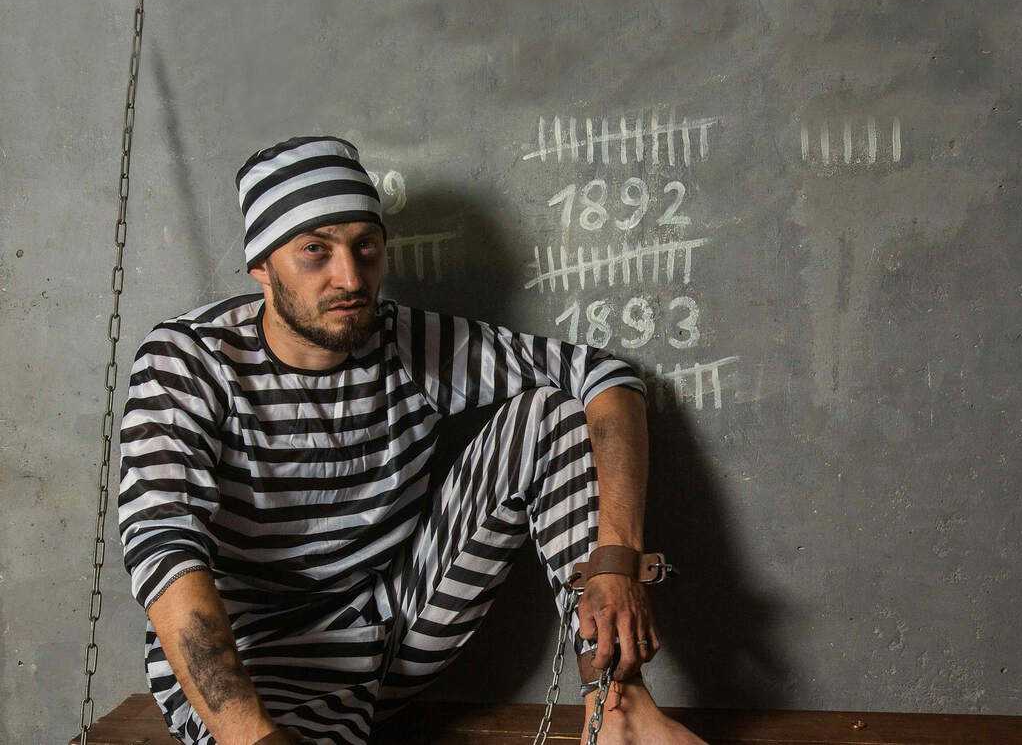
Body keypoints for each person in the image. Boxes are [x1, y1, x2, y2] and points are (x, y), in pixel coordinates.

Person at [117, 136, 704, 744]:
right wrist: (251, 738)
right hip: (250, 664)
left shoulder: (408, 342)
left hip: (389, 633)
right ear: (263, 267)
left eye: (365, 246)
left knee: (551, 414)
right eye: (315, 250)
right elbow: (164, 549)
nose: (351, 277)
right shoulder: (189, 361)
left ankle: (617, 708)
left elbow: (606, 377)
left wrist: (616, 559)